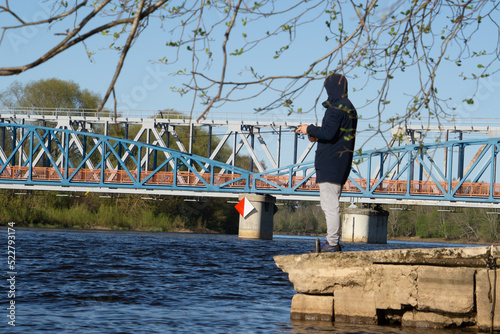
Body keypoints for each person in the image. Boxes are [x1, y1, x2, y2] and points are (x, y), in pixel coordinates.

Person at [295, 73, 357, 252]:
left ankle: (332, 244)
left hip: (330, 164)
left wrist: (309, 128)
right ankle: (332, 242)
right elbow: (335, 134)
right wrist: (316, 136)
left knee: (330, 206)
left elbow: (329, 133)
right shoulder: (349, 108)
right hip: (340, 163)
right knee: (330, 204)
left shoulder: (336, 107)